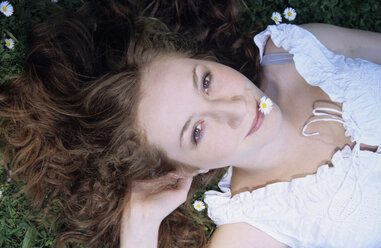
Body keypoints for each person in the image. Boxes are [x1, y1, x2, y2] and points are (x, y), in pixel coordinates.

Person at [0, 1, 380, 248]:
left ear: (200, 57)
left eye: (206, 82)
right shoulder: (254, 226)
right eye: (196, 132)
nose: (235, 110)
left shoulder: (296, 50)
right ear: (184, 170)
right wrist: (139, 223)